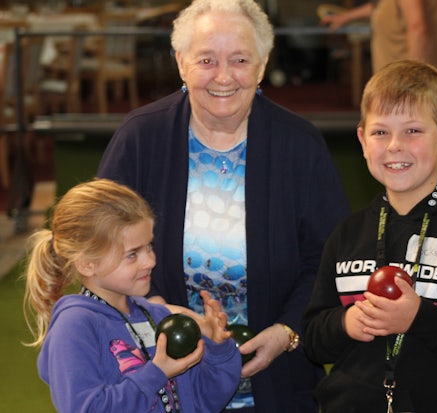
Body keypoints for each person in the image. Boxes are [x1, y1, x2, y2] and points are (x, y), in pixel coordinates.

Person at [96, 0, 351, 411]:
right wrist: (154, 310)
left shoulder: (299, 145)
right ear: (181, 63)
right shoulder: (140, 139)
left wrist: (287, 331)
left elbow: (330, 257)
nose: (223, 76)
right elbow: (99, 247)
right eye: (206, 60)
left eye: (239, 59)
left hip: (277, 381)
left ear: (263, 64)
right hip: (164, 384)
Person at [301, 60, 437, 412]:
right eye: (380, 132)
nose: (394, 146)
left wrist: (419, 319)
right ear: (362, 140)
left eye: (413, 131)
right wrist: (345, 323)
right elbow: (313, 338)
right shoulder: (347, 235)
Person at [22, 179, 241, 413]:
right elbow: (87, 408)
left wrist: (219, 349)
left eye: (149, 246)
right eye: (133, 255)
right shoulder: (75, 325)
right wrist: (157, 373)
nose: (151, 261)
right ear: (87, 264)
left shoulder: (157, 315)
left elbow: (202, 400)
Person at [319, 0, 437, 92]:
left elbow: (417, 27)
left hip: (407, 83)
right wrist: (346, 17)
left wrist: (414, 81)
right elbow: (385, 6)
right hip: (405, 80)